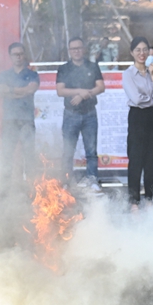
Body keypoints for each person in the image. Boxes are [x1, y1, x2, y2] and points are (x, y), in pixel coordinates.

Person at [56, 37, 105, 194]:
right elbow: (60, 91)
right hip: (71, 114)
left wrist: (86, 95)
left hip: (90, 113)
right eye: (73, 49)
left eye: (79, 48)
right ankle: (66, 181)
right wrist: (79, 91)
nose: (76, 51)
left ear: (84, 49)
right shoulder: (64, 68)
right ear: (69, 51)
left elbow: (101, 87)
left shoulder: (92, 66)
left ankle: (92, 180)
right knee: (68, 151)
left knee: (91, 151)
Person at [123, 36, 153, 212]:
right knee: (136, 159)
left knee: (151, 160)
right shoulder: (128, 74)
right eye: (138, 50)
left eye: (145, 50)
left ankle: (150, 198)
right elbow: (137, 99)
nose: (142, 53)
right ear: (132, 52)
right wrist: (151, 99)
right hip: (137, 117)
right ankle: (134, 201)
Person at [0, 42, 39, 183]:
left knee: (29, 155)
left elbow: (31, 90)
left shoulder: (32, 74)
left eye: (21, 54)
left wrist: (11, 90)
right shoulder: (4, 75)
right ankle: (5, 188)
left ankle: (31, 188)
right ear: (10, 56)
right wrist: (22, 91)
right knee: (7, 155)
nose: (18, 57)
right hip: (9, 121)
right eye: (15, 54)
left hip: (27, 120)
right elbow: (2, 91)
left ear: (24, 55)